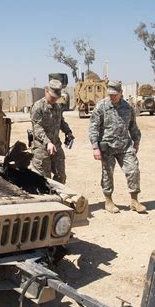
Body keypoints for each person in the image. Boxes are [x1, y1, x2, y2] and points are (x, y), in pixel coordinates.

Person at [88, 80, 146, 214]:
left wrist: (136, 142)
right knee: (107, 174)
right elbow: (93, 128)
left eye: (115, 94)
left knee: (133, 170)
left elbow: (133, 126)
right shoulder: (101, 106)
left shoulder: (128, 107)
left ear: (121, 93)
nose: (112, 96)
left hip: (125, 146)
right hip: (107, 147)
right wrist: (95, 147)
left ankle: (134, 200)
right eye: (110, 94)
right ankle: (108, 200)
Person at [30, 79, 74, 184]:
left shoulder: (58, 106)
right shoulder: (38, 107)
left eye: (56, 97)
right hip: (41, 148)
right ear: (46, 91)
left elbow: (61, 121)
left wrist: (68, 132)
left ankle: (58, 197)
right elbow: (37, 127)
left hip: (55, 146)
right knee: (43, 180)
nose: (54, 99)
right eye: (52, 96)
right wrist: (47, 142)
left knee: (61, 176)